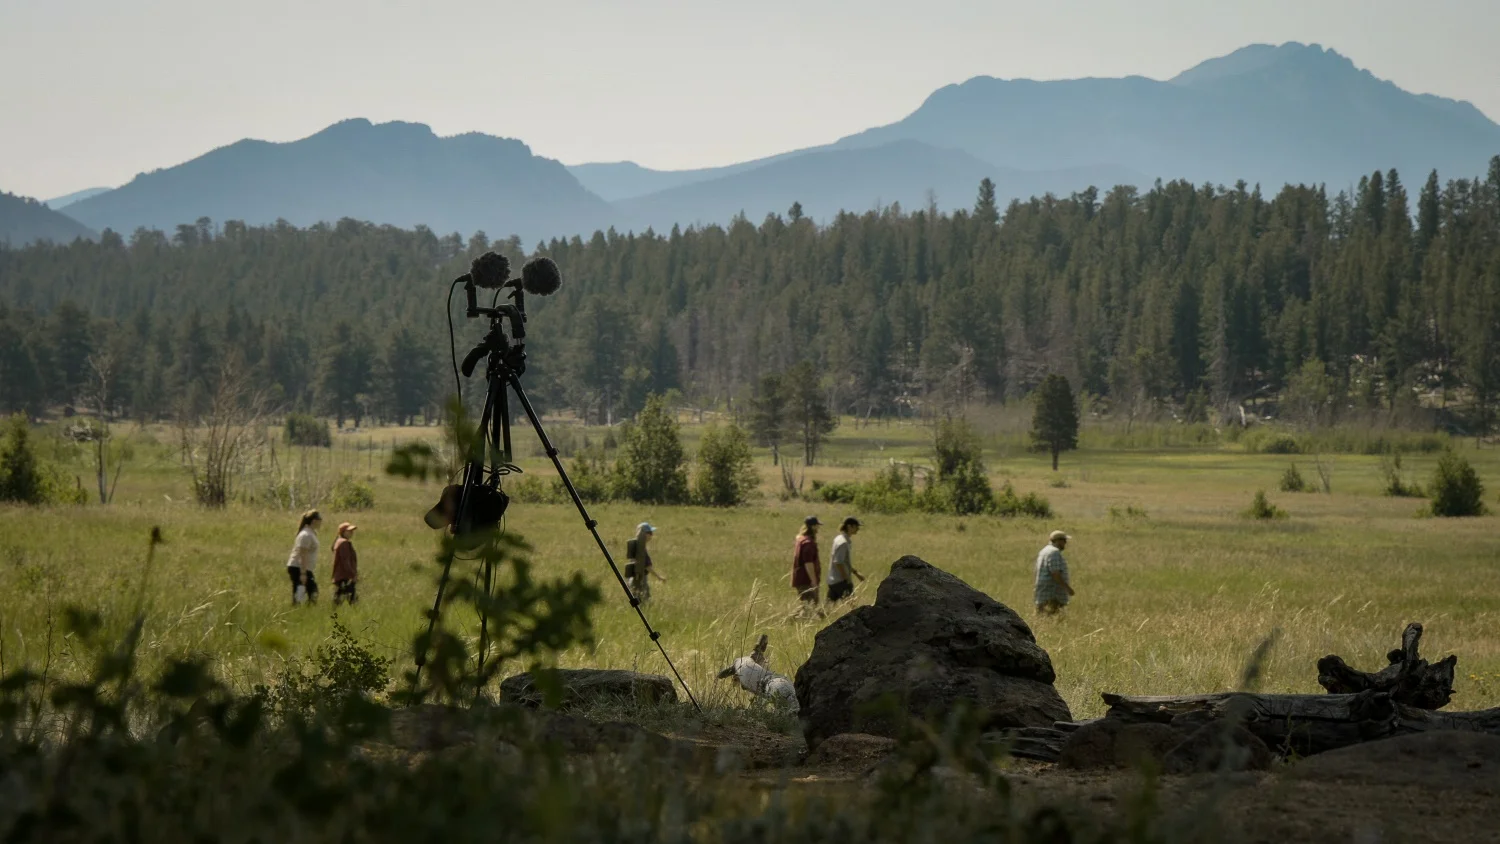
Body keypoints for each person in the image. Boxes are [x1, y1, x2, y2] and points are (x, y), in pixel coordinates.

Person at [1034, 529, 1074, 614]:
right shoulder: (1054, 552)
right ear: (1058, 541)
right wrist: (1068, 589)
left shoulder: (1044, 551)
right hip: (1053, 593)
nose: (1065, 543)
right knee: (1054, 617)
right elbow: (1055, 573)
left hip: (1043, 591)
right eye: (1064, 541)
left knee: (1042, 616)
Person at [287, 509, 322, 605]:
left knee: (306, 591)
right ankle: (297, 609)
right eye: (320, 520)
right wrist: (303, 573)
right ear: (314, 521)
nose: (321, 522)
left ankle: (302, 609)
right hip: (298, 567)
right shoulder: (305, 535)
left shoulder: (311, 533)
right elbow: (303, 554)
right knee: (307, 591)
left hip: (304, 568)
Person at [826, 517, 865, 602]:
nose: (858, 529)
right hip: (841, 581)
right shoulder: (843, 542)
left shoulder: (839, 539)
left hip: (834, 580)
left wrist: (856, 573)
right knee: (853, 607)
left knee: (827, 609)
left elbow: (844, 562)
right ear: (849, 527)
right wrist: (846, 578)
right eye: (856, 526)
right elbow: (838, 562)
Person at [625, 522, 665, 602]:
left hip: (633, 579)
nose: (651, 535)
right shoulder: (641, 550)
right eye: (650, 533)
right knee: (645, 601)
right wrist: (659, 577)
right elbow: (647, 567)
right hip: (641, 579)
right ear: (644, 534)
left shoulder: (635, 546)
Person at [791, 516, 822, 605]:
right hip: (806, 580)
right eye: (817, 525)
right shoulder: (808, 543)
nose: (818, 528)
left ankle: (794, 618)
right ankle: (793, 618)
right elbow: (808, 563)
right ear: (812, 527)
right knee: (810, 605)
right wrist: (813, 581)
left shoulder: (801, 539)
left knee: (806, 605)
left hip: (800, 579)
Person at [331, 522, 359, 606]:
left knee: (338, 599)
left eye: (352, 531)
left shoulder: (339, 541)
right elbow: (345, 561)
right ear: (343, 532)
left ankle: (333, 614)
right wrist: (353, 574)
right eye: (349, 531)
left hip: (340, 576)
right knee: (353, 601)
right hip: (345, 576)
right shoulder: (344, 543)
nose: (351, 533)